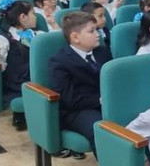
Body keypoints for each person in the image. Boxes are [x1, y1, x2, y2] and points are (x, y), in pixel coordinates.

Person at [48, 11, 112, 156]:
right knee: (101, 130)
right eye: (92, 31)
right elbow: (69, 99)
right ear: (75, 37)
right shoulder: (59, 61)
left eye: (97, 29)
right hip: (77, 110)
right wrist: (100, 100)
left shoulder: (103, 52)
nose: (98, 34)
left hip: (106, 103)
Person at [0, 0, 40, 130]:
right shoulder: (4, 39)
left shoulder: (36, 34)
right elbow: (0, 67)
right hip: (18, 80)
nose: (36, 17)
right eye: (33, 14)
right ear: (23, 17)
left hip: (34, 75)